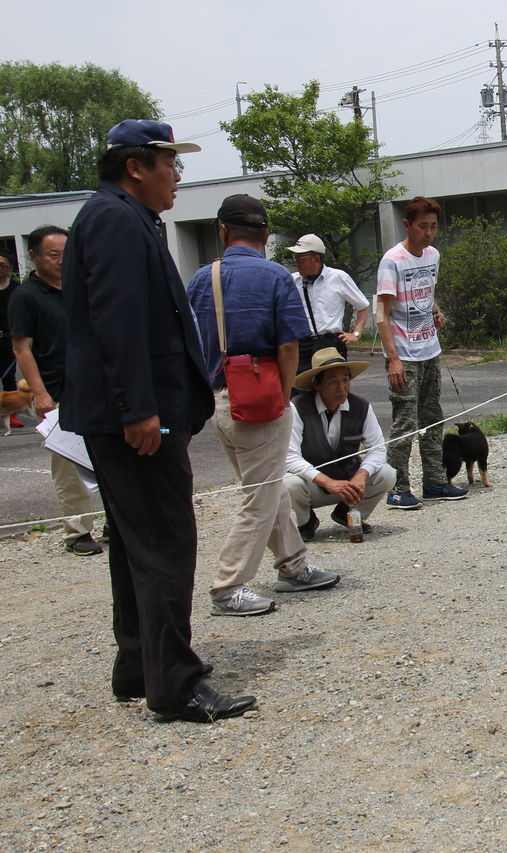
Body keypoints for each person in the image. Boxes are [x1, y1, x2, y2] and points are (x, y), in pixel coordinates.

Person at [60, 118, 254, 722]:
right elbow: (118, 321)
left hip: (129, 413)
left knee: (135, 544)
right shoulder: (115, 220)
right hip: (137, 419)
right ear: (135, 166)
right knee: (166, 542)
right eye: (169, 162)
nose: (177, 175)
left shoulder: (119, 216)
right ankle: (174, 684)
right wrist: (138, 408)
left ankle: (140, 665)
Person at [187, 194, 340, 617]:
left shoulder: (201, 279)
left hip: (220, 398)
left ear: (223, 231)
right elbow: (289, 345)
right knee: (260, 497)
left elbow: (191, 342)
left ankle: (294, 565)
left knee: (268, 489)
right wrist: (284, 395)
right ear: (266, 235)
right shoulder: (275, 277)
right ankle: (228, 586)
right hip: (262, 400)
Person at [9, 225, 104, 555]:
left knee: (110, 457)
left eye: (67, 253)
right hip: (58, 390)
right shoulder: (26, 296)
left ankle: (116, 521)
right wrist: (40, 393)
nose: (62, 260)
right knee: (69, 464)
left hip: (96, 386)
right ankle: (78, 531)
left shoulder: (82, 287)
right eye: (54, 255)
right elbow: (21, 348)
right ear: (34, 256)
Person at [375, 195, 468, 509]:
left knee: (433, 417)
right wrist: (393, 359)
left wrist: (436, 312)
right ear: (407, 225)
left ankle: (435, 481)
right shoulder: (392, 260)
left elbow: (427, 295)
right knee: (405, 422)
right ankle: (397, 487)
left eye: (433, 227)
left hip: (429, 348)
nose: (428, 233)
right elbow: (381, 314)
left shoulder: (433, 255)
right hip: (404, 353)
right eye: (422, 226)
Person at [284, 347, 395, 540]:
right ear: (317, 384)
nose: (341, 387)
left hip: (349, 482)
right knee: (288, 483)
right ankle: (306, 521)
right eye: (333, 381)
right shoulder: (298, 407)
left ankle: (348, 513)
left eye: (345, 380)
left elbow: (377, 449)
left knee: (387, 474)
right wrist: (327, 482)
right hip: (313, 485)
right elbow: (290, 456)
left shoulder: (361, 407)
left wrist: (361, 475)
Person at [285, 233, 370, 369]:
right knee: (302, 381)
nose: (297, 263)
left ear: (316, 259)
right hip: (303, 344)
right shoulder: (292, 281)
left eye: (301, 258)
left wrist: (356, 334)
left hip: (330, 342)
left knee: (333, 381)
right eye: (295, 258)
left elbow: (363, 306)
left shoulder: (337, 277)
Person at [0, 256, 21, 422]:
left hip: (9, 339)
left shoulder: (17, 289)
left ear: (10, 267)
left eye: (2, 264)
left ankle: (11, 414)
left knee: (8, 377)